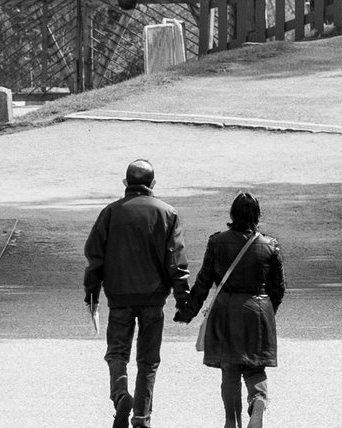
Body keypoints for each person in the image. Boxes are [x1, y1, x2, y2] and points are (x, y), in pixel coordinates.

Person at [85, 159, 190, 428]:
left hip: (119, 296)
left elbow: (95, 257)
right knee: (148, 360)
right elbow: (175, 262)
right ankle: (142, 417)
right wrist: (182, 300)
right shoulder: (167, 213)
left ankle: (120, 395)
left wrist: (93, 293)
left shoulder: (110, 213)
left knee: (117, 353)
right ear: (152, 184)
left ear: (125, 184)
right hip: (154, 297)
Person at [176, 192, 285, 428]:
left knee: (230, 369)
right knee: (256, 368)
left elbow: (204, 281)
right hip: (258, 309)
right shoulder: (270, 245)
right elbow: (278, 289)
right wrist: (267, 312)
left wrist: (188, 311)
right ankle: (258, 401)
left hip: (226, 311)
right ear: (257, 215)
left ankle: (231, 421)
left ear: (232, 215)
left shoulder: (217, 242)